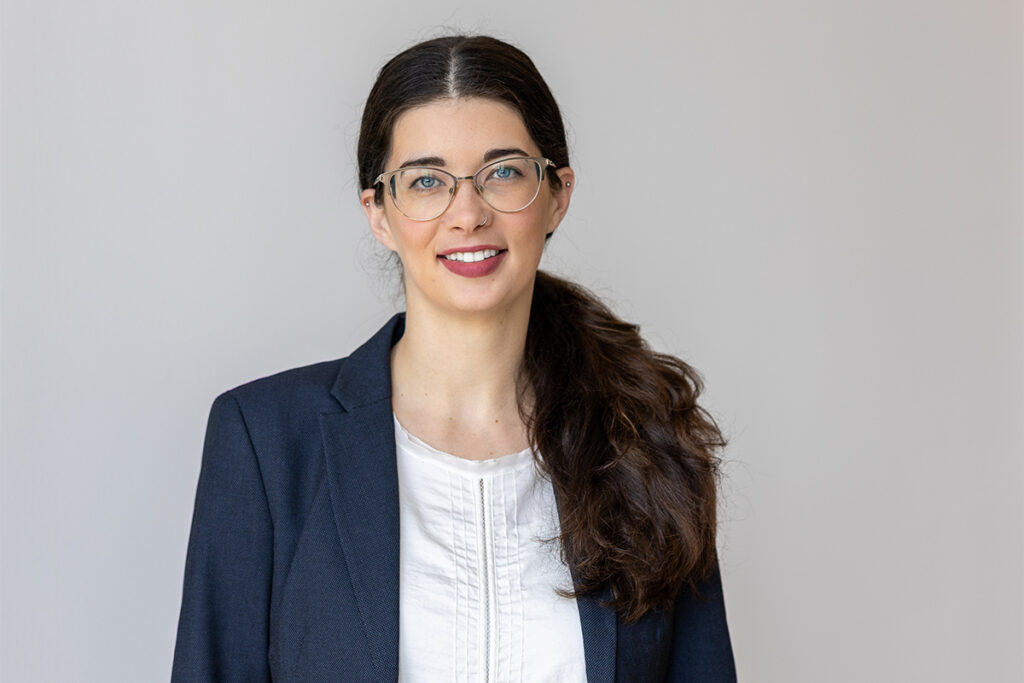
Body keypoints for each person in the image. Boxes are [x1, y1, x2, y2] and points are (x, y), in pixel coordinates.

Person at [171, 34, 737, 682]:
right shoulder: (266, 443)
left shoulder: (644, 441)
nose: (466, 213)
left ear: (557, 194)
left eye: (502, 172)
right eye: (427, 181)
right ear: (379, 213)